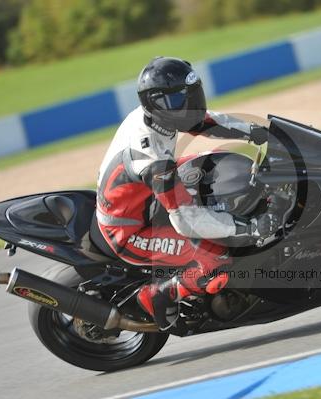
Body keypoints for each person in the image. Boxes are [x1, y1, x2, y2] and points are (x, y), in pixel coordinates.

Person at [95, 56, 277, 333]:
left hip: (147, 200)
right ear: (156, 102)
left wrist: (258, 132)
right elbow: (185, 219)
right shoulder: (151, 157)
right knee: (218, 255)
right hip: (131, 230)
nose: (189, 104)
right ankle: (161, 293)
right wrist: (248, 229)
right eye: (180, 99)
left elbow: (207, 122)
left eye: (190, 95)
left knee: (214, 163)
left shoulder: (159, 117)